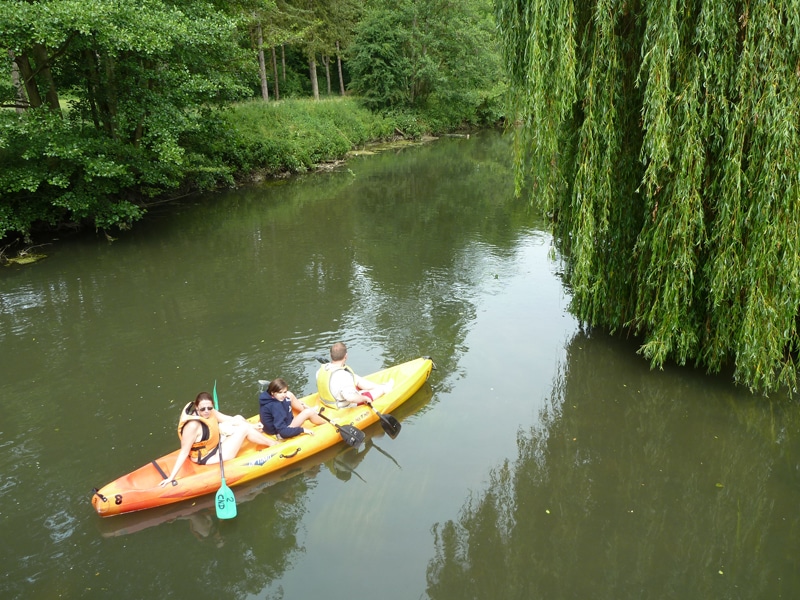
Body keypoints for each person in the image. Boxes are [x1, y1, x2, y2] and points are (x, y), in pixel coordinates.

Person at [160, 392, 277, 487]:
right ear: (196, 407)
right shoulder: (192, 426)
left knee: (239, 418)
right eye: (203, 409)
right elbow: (184, 452)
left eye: (209, 408)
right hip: (207, 457)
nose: (206, 411)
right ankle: (274, 444)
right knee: (244, 429)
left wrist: (252, 426)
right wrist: (171, 477)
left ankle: (255, 432)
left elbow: (228, 419)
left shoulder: (210, 412)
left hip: (216, 445)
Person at [316, 342, 393, 409]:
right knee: (377, 391)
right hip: (342, 406)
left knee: (355, 377)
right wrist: (365, 398)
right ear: (346, 356)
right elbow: (350, 398)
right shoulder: (344, 376)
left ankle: (376, 386)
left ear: (331, 355)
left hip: (327, 401)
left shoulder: (321, 370)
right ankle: (383, 388)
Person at [259, 378, 325, 439]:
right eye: (280, 392)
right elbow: (283, 432)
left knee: (289, 394)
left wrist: (286, 399)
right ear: (273, 392)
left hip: (277, 425)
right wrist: (302, 430)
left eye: (284, 392)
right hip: (279, 433)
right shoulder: (276, 406)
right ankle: (325, 423)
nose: (283, 395)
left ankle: (303, 409)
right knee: (308, 412)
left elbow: (284, 397)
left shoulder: (268, 396)